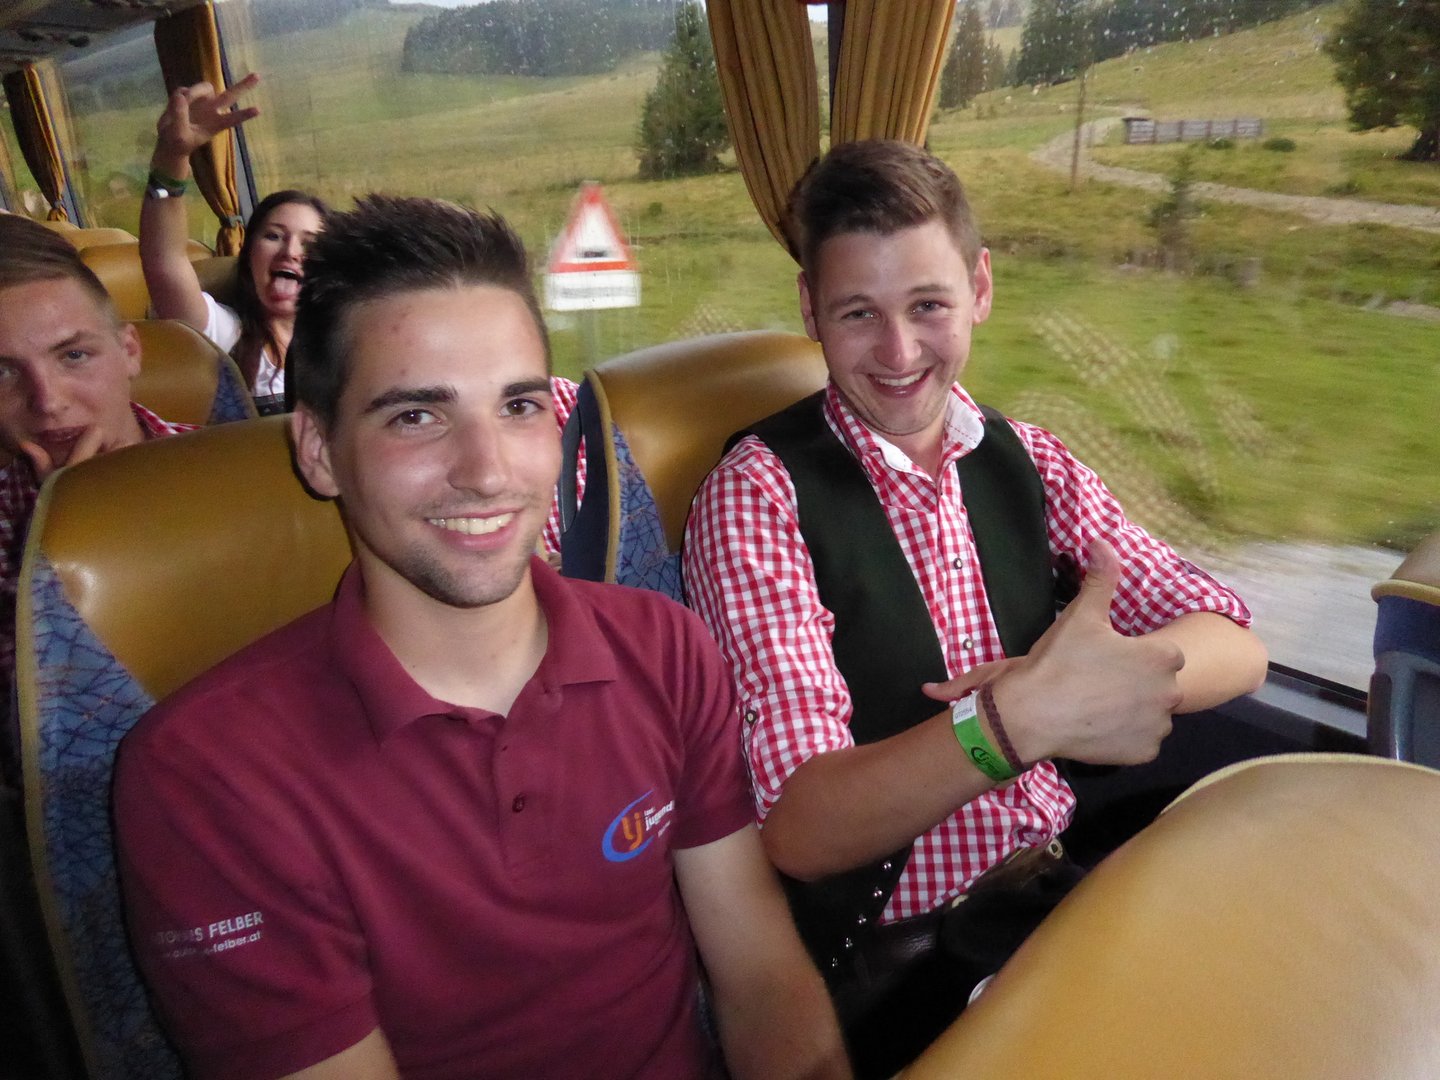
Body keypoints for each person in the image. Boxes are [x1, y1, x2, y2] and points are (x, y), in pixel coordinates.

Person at [114, 195, 849, 1080]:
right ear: (317, 449)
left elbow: (762, 977)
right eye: (416, 416)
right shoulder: (207, 777)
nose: (488, 471)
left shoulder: (666, 648)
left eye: (518, 406)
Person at [683, 140, 1269, 1078]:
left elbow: (1234, 641)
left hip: (1049, 896)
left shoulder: (1026, 458)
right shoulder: (760, 497)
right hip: (897, 965)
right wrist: (1013, 721)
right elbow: (802, 828)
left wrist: (1103, 686)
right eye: (858, 313)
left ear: (980, 289)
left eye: (928, 306)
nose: (899, 352)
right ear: (809, 312)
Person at [0, 215, 196, 783]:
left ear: (129, 350)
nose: (48, 401)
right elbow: (31, 756)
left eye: (73, 356)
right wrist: (57, 539)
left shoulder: (250, 479)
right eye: (4, 372)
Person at [140, 73, 327, 415]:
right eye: (273, 236)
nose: (290, 252)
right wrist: (171, 158)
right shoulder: (225, 332)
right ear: (248, 253)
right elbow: (164, 261)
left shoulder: (345, 339)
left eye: (309, 243)